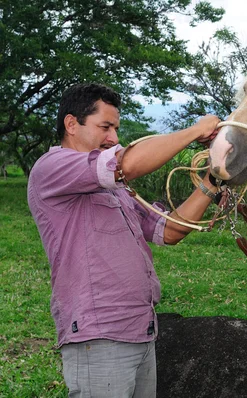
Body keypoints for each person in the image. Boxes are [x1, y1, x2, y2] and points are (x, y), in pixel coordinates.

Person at [27, 83, 220, 397]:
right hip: (99, 338)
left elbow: (169, 230)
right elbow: (125, 164)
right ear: (71, 124)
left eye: (116, 128)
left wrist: (213, 182)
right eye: (105, 127)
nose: (113, 138)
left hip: (141, 331)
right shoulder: (51, 168)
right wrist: (194, 131)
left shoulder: (115, 190)